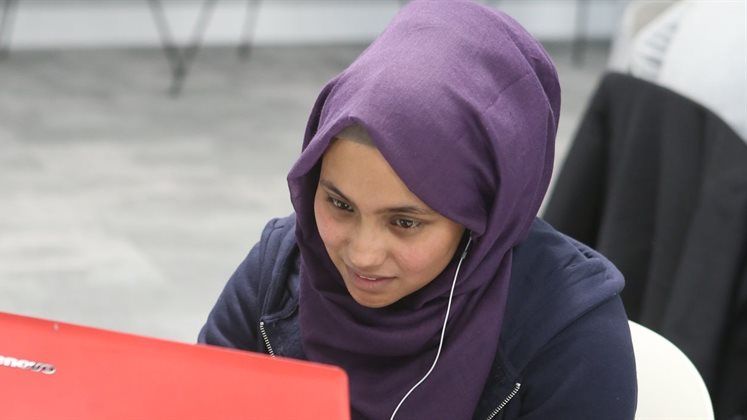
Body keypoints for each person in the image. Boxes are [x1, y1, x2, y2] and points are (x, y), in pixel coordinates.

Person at [198, 1, 637, 419]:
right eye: (339, 204)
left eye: (405, 222)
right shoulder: (279, 271)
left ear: (482, 216)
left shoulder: (570, 334)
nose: (363, 254)